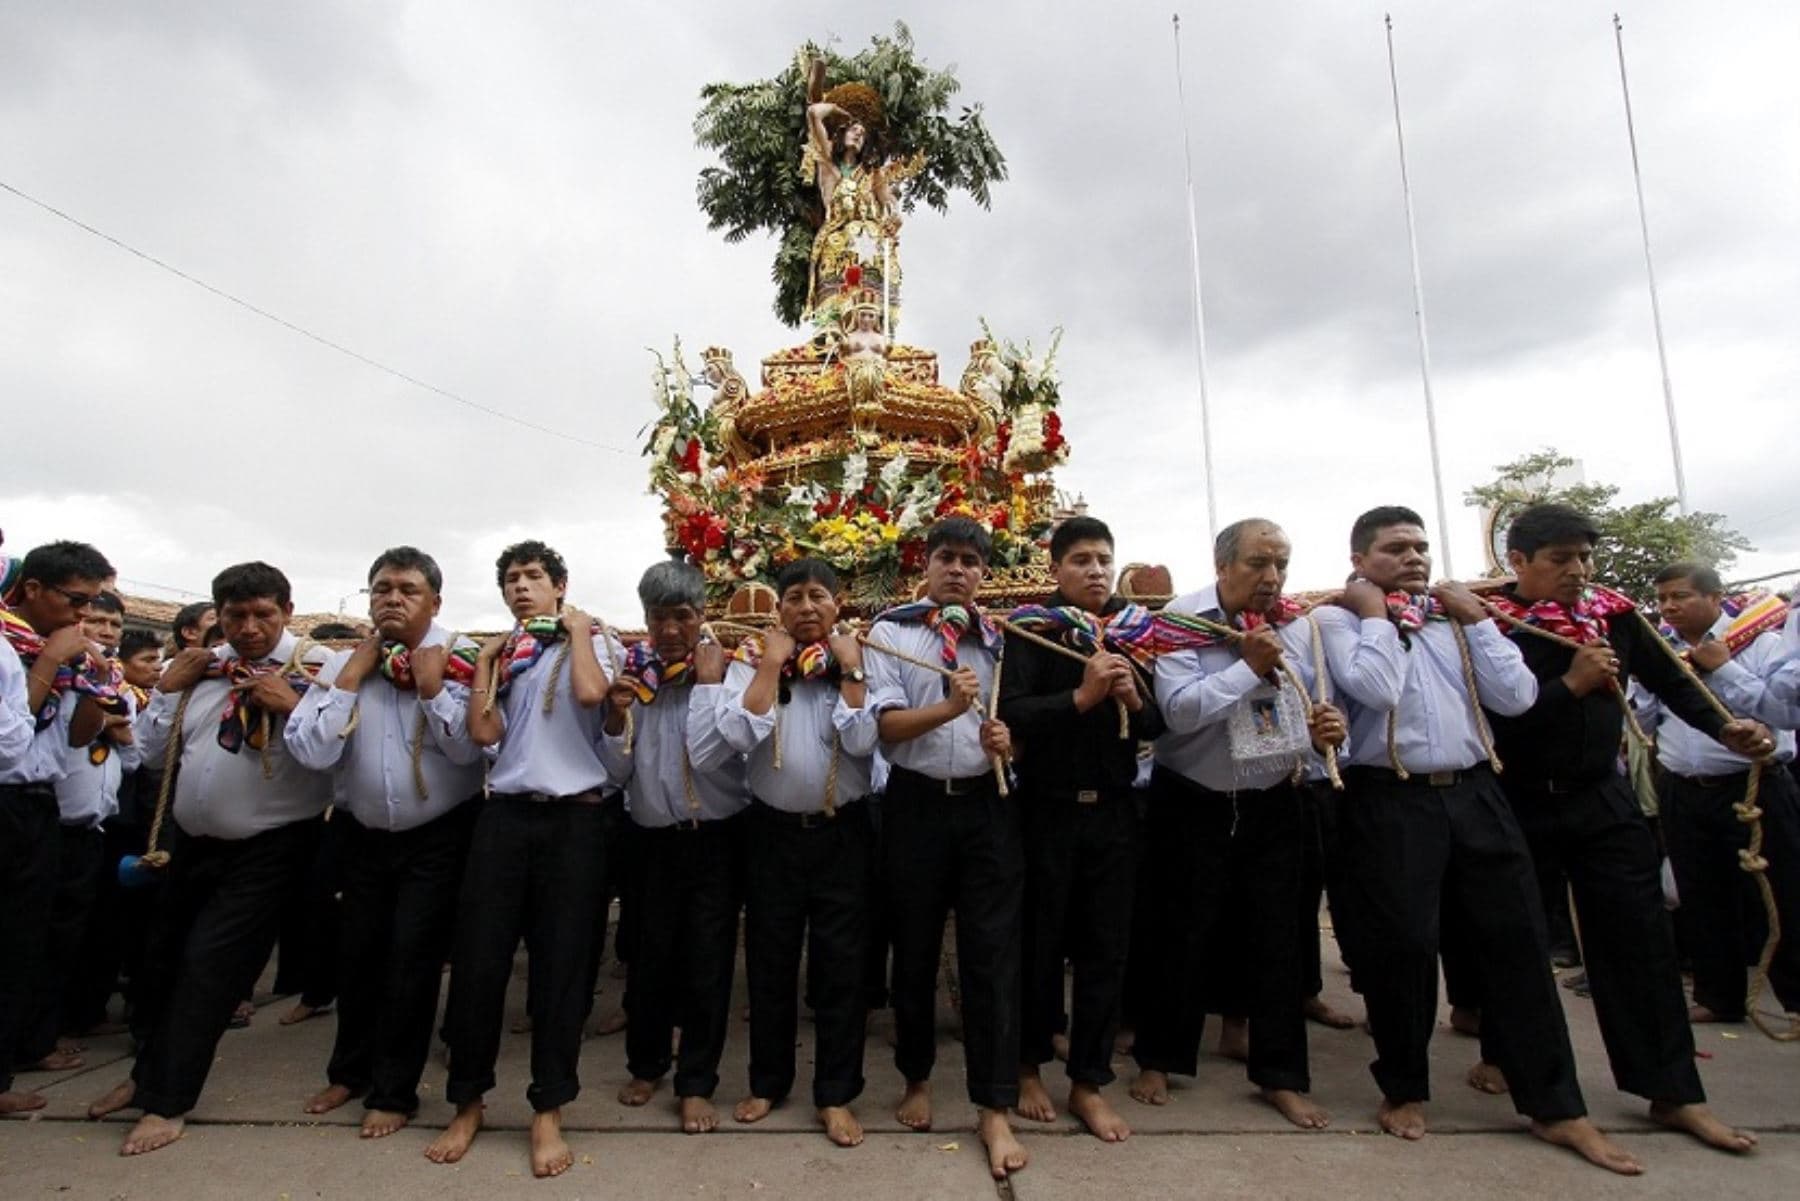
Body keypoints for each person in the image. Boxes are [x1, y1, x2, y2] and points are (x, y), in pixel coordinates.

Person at [1313, 506, 1639, 1174]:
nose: (1413, 558)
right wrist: (1378, 616)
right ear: (1360, 562)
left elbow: (1517, 697)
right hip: (1390, 796)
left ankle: (1556, 1105)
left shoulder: (1454, 619)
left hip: (1476, 790)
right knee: (1403, 944)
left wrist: (1480, 620)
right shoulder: (1335, 621)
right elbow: (1375, 687)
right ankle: (1403, 1087)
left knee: (1518, 940)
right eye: (1395, 548)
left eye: (1421, 547)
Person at [1484, 503, 1770, 1155]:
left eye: (1585, 556)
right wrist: (1574, 685)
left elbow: (1674, 682)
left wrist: (1725, 725)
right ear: (1519, 562)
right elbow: (1488, 721)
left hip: (1602, 799)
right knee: (1521, 946)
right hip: (1517, 801)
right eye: (1561, 559)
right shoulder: (1489, 625)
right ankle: (1551, 1102)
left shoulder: (1612, 614)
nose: (1578, 570)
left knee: (1641, 942)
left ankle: (1674, 1092)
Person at [87, 561, 332, 1155]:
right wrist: (168, 692)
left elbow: (329, 757)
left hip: (272, 845)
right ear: (217, 616)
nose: (249, 628)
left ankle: (168, 1102)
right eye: (235, 616)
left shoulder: (322, 671)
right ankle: (146, 1075)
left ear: (287, 613)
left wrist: (290, 705)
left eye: (263, 615)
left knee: (208, 969)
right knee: (161, 962)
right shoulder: (197, 670)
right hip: (191, 841)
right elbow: (146, 754)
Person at [1126, 519, 1339, 1130]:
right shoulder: (1181, 622)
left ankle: (1281, 1076)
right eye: (1257, 564)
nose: (1271, 578)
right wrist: (1246, 668)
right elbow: (1179, 713)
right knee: (1178, 934)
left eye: (1281, 565)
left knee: (1277, 939)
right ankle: (1159, 1060)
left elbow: (1314, 702)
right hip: (1192, 797)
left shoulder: (1299, 627)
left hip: (1275, 796)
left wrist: (1331, 731)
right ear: (1222, 567)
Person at [427, 540, 622, 1178]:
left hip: (576, 819)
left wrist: (579, 631)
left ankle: (548, 1110)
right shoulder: (507, 653)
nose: (519, 588)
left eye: (533, 577)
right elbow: (485, 734)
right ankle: (468, 1101)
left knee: (562, 968)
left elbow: (594, 695)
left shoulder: (598, 642)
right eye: (510, 579)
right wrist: (486, 660)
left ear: (560, 584)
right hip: (505, 818)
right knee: (480, 962)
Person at [285, 547, 484, 1139]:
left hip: (440, 834)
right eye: (381, 589)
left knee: (412, 960)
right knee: (358, 955)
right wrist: (349, 677)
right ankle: (349, 1071)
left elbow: (471, 751)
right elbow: (311, 750)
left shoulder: (463, 658)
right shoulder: (345, 664)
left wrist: (430, 689)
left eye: (407, 590)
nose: (392, 599)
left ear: (435, 602)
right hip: (362, 833)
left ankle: (395, 1092)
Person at [863, 517, 1027, 1180]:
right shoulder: (893, 633)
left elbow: (1023, 719)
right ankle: (917, 1077)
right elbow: (887, 729)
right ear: (925, 565)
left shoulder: (1000, 637)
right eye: (947, 558)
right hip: (915, 804)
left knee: (992, 954)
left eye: (970, 561)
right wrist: (950, 711)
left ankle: (994, 1105)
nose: (958, 569)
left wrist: (1008, 742)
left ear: (984, 573)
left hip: (989, 805)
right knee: (915, 947)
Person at [999, 515, 1163, 1142]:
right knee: (1038, 946)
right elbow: (1012, 712)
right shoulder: (1033, 630)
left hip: (1117, 812)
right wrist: (1082, 698)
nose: (1096, 571)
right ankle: (1028, 1066)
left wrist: (1132, 700)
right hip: (1047, 811)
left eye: (1103, 559)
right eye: (1082, 561)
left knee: (1105, 949)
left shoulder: (1135, 632)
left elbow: (1156, 729)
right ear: (1056, 570)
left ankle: (1090, 1083)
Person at [716, 558, 878, 1147]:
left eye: (818, 596)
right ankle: (768, 1081)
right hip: (771, 834)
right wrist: (770, 664)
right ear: (779, 611)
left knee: (842, 967)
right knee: (769, 960)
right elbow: (736, 734)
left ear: (838, 605)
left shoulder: (860, 662)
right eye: (794, 598)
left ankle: (835, 1094)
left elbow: (863, 739)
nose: (806, 607)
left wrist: (851, 669)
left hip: (844, 832)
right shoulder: (751, 665)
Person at [600, 560, 749, 1135]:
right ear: (645, 619)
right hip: (650, 841)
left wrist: (708, 687)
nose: (668, 630)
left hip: (714, 838)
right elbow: (616, 772)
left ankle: (695, 1083)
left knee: (708, 962)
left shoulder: (730, 674)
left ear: (701, 616)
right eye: (658, 617)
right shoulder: (633, 681)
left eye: (681, 617)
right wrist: (615, 718)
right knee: (648, 958)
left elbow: (721, 751)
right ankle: (647, 1065)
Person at [1641, 563, 1800, 1024]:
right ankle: (1719, 996)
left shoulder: (1763, 643)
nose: (1670, 607)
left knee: (1780, 891)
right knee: (1702, 896)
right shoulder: (1664, 650)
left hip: (1753, 786)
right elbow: (1646, 723)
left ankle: (1796, 996)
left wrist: (1723, 670)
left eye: (1681, 596)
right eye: (1664, 598)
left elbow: (1782, 711)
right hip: (1684, 789)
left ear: (1715, 598)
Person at [0, 540, 115, 1115]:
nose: (81, 615)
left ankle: (22, 1049)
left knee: (29, 940)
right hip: (6, 799)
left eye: (91, 603)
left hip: (37, 805)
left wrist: (91, 682)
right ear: (34, 590)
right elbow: (7, 738)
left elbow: (73, 738)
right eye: (75, 600)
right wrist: (47, 662)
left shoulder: (54, 653)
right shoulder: (10, 648)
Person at [24, 591, 139, 1071]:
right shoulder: (45, 671)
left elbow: (124, 751)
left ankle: (62, 1024)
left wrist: (105, 700)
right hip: (46, 822)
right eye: (95, 620)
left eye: (114, 624)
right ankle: (33, 1040)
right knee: (37, 942)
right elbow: (65, 735)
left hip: (92, 830)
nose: (106, 632)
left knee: (75, 939)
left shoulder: (111, 682)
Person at [803, 58, 902, 325]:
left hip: (870, 246)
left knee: (871, 306)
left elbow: (890, 202)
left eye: (862, 133)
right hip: (837, 245)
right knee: (835, 308)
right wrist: (837, 109)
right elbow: (814, 114)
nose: (858, 135)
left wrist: (896, 215)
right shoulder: (828, 168)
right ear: (841, 133)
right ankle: (831, 329)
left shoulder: (873, 175)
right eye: (853, 130)